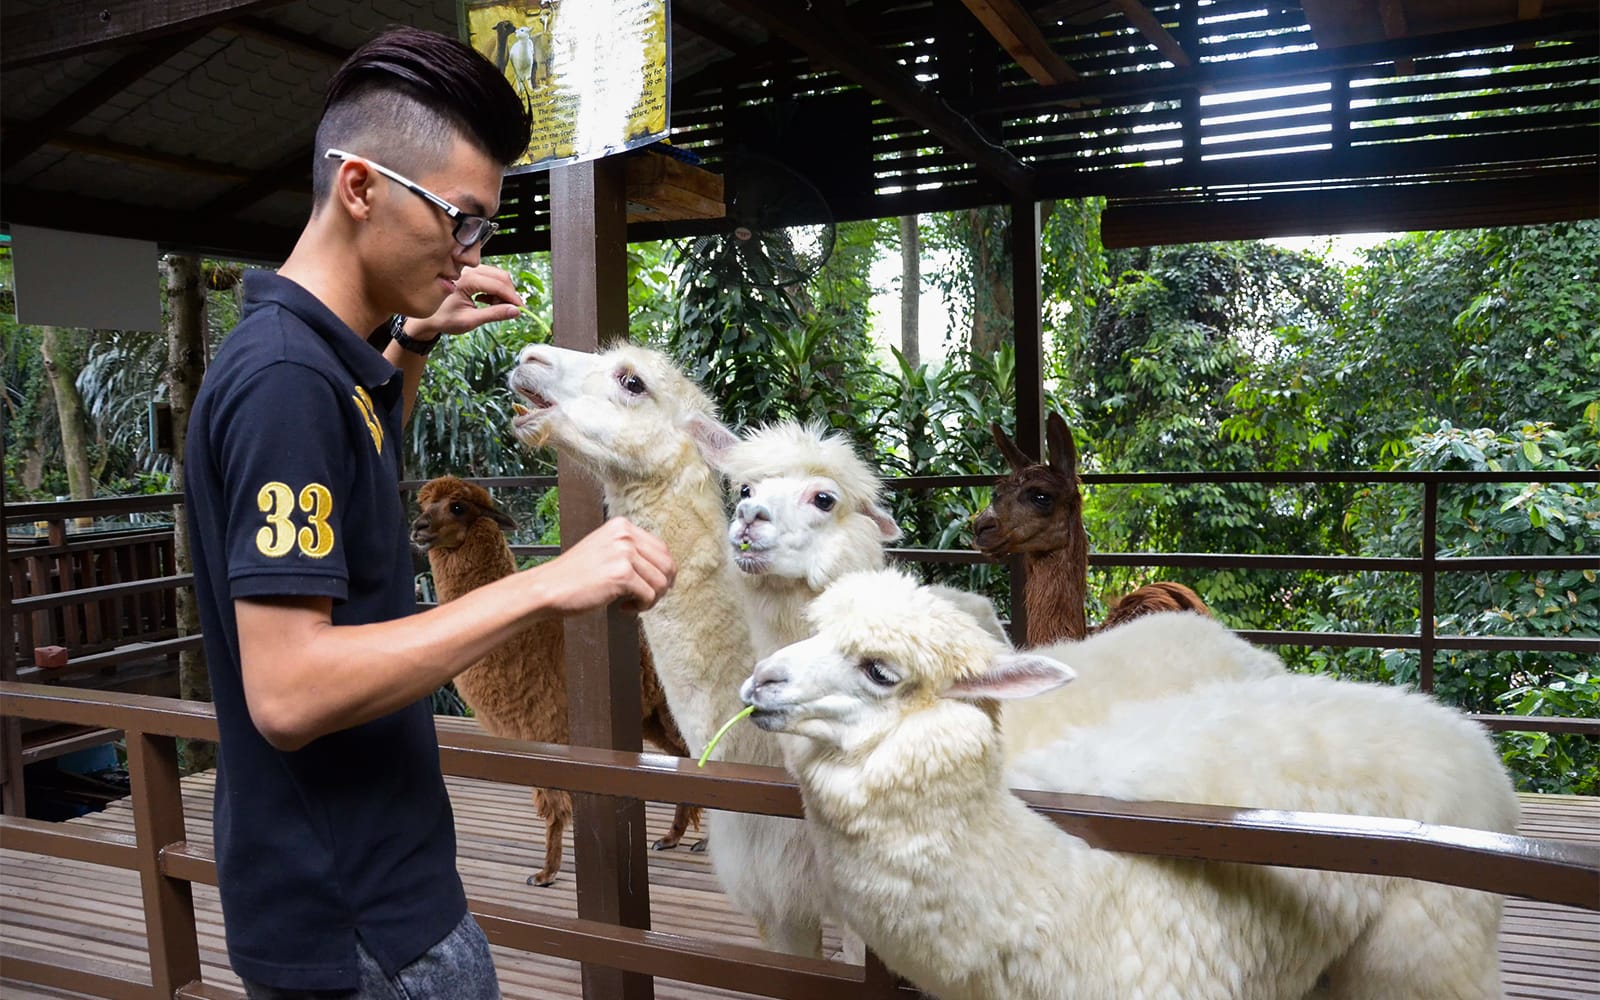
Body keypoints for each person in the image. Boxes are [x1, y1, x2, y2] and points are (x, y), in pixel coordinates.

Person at [182, 27, 675, 999]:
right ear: (360, 188)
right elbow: (287, 691)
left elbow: (356, 470)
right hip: (361, 922)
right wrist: (546, 582)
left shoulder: (317, 364)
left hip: (375, 895)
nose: (467, 253)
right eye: (460, 219)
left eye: (478, 229)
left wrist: (408, 345)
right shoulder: (286, 381)